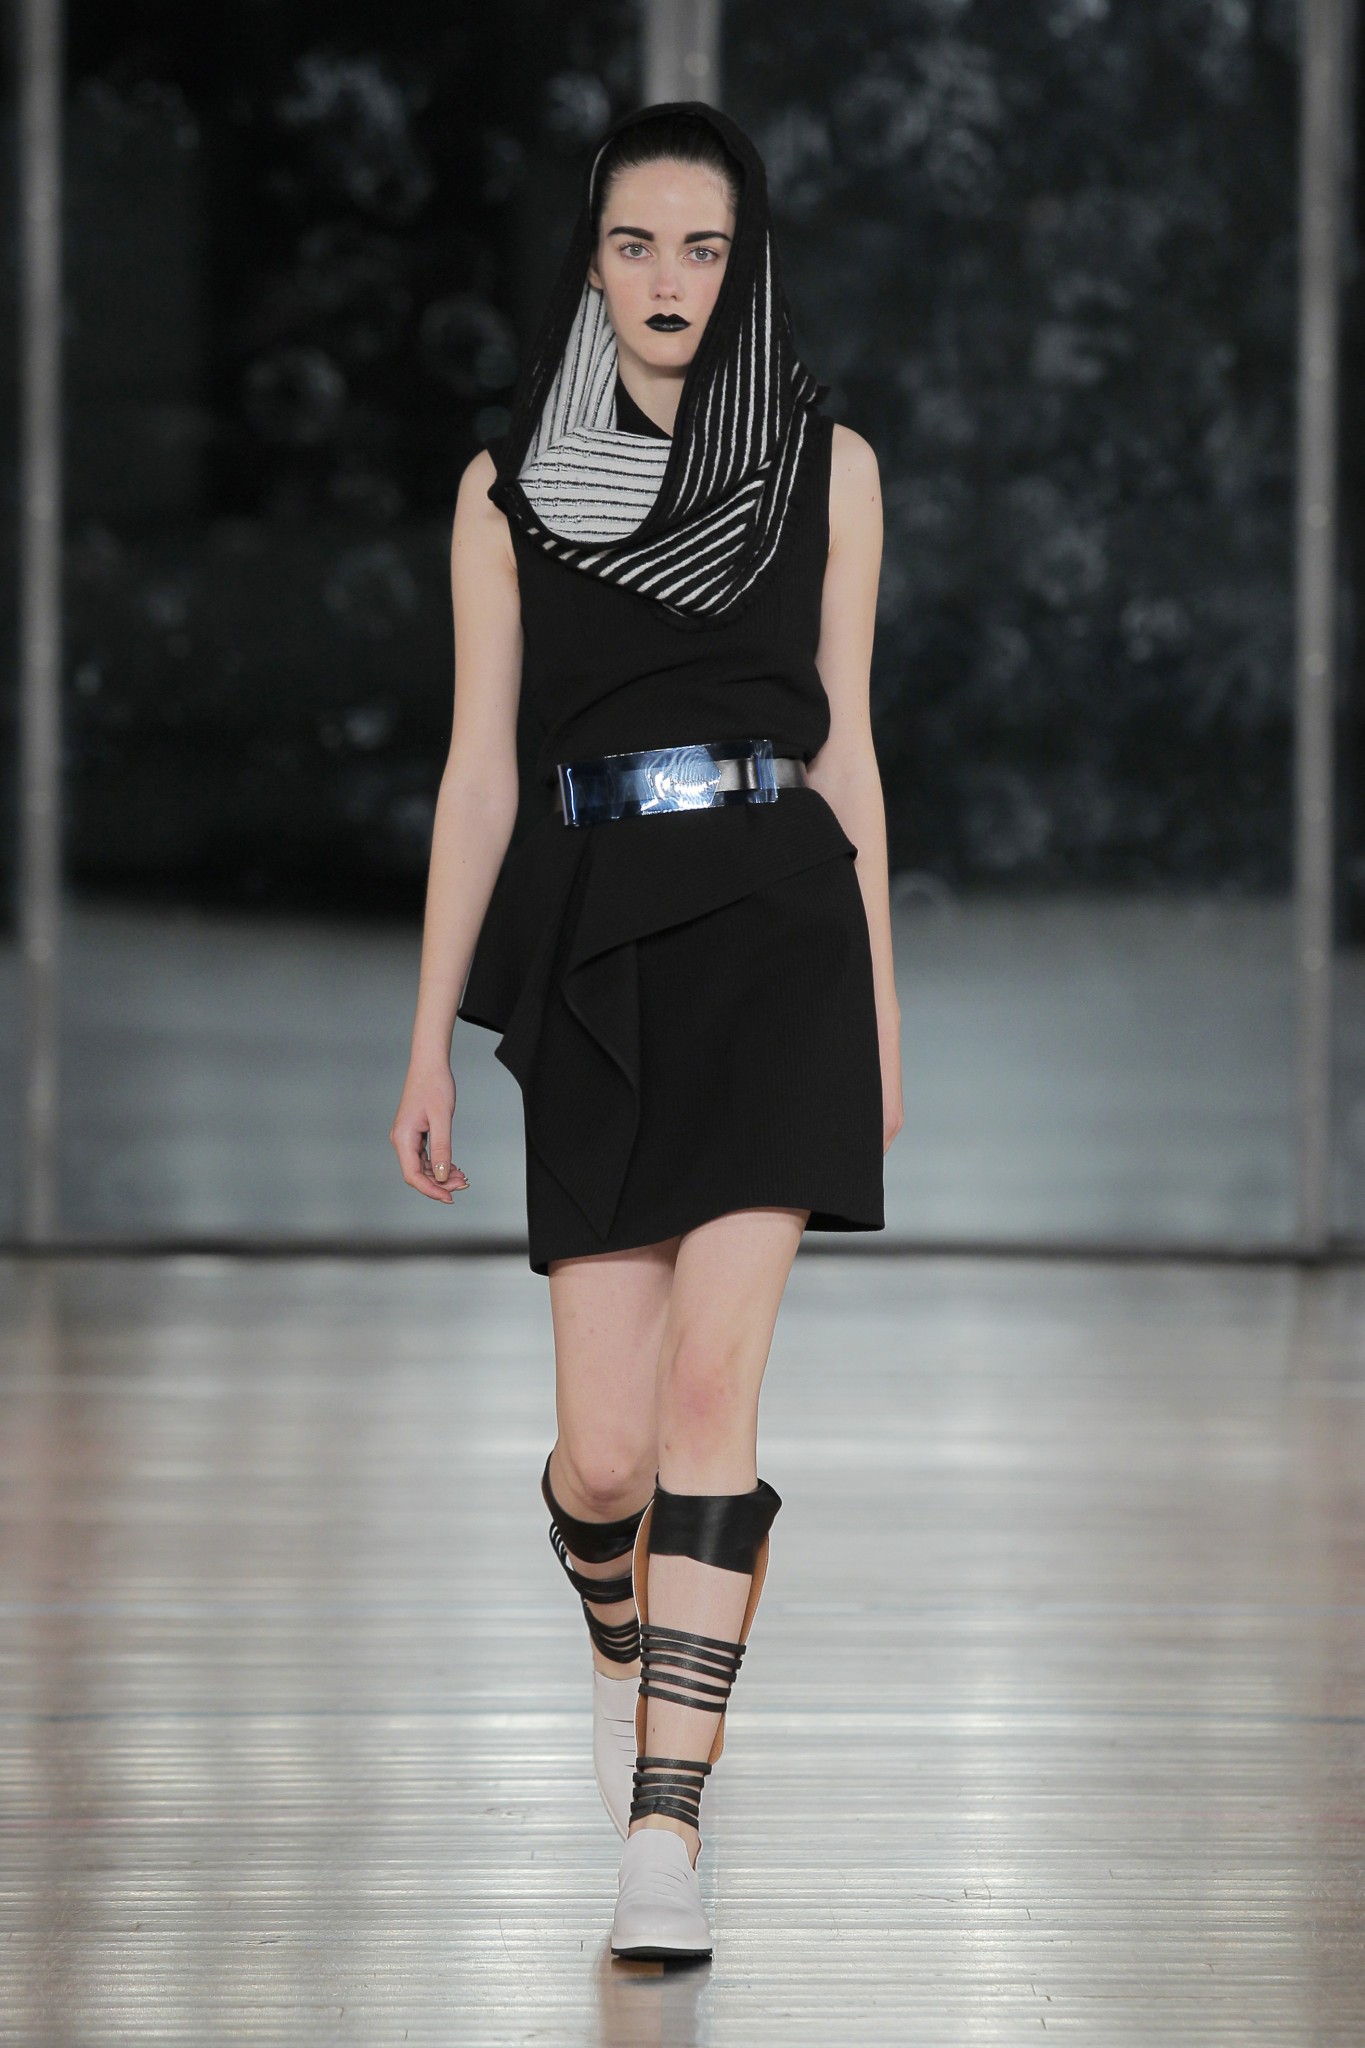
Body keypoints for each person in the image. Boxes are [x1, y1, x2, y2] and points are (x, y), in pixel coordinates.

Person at [390, 99, 903, 1961]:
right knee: (602, 1461)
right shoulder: (508, 492)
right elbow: (478, 774)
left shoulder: (825, 468)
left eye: (703, 245)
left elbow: (848, 744)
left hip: (777, 933)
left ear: (744, 263)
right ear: (589, 264)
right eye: (634, 245)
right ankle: (626, 1637)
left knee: (706, 1398)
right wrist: (428, 1038)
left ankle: (661, 1831)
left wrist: (881, 1005)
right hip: (596, 946)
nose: (669, 279)